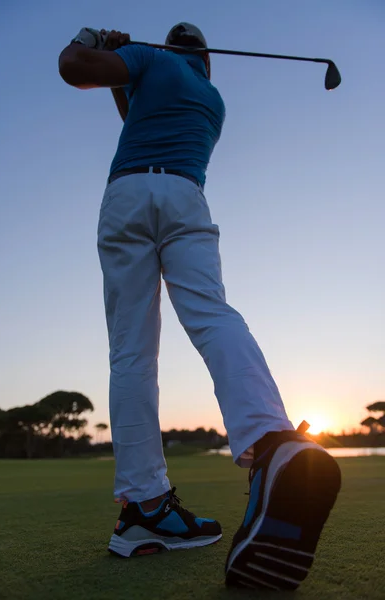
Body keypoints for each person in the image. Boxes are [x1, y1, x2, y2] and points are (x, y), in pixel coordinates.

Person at [58, 22, 341, 589]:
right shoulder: (211, 99)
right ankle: (270, 442)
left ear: (167, 49)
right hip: (185, 197)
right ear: (206, 61)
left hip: (128, 196)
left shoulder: (148, 61)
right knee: (212, 316)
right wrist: (129, 71)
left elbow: (74, 68)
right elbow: (133, 109)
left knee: (132, 355)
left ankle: (144, 507)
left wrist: (96, 40)